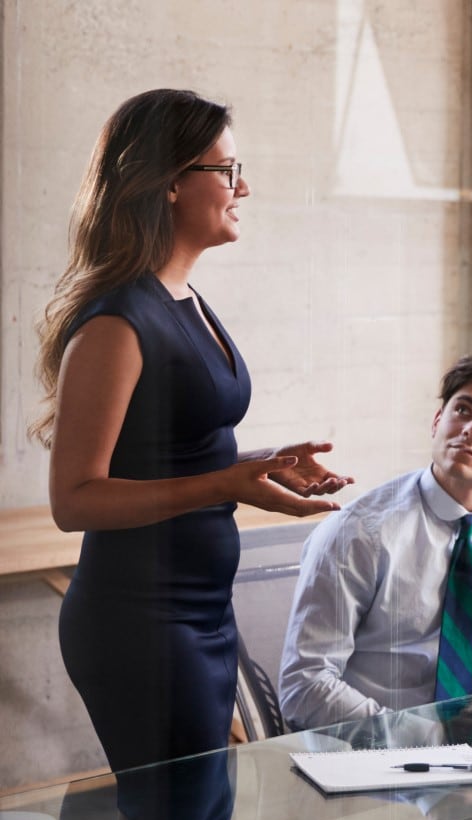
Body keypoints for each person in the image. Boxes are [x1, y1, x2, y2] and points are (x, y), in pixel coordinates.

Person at [33, 89, 351, 777]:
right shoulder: (116, 323)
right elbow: (75, 500)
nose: (245, 188)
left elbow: (167, 449)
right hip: (140, 623)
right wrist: (225, 484)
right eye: (228, 171)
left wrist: (260, 464)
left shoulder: (185, 297)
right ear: (171, 183)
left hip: (201, 612)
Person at [279, 351, 472, 730]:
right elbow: (304, 685)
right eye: (463, 410)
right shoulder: (359, 531)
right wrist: (416, 737)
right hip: (363, 751)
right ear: (436, 421)